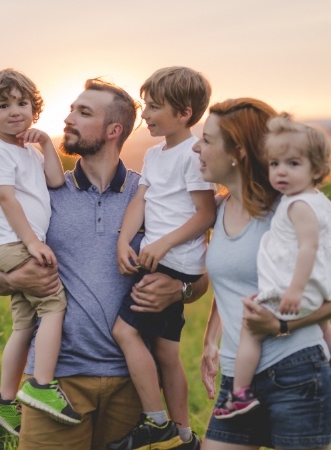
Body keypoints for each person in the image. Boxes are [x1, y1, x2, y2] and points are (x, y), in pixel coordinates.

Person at [0, 77, 209, 450]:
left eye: (83, 113)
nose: (68, 119)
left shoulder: (151, 193)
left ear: (114, 130)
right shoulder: (43, 191)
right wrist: (17, 277)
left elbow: (197, 275)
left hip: (132, 385)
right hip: (56, 383)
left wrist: (179, 289)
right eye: (70, 109)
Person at [193, 98, 331, 450]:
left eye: (207, 140)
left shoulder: (289, 211)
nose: (197, 146)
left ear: (237, 152)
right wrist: (211, 341)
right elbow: (232, 282)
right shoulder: (220, 210)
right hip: (237, 380)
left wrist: (282, 326)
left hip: (296, 373)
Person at [109, 67, 216, 450]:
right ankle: (184, 433)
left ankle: (157, 424)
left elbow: (205, 214)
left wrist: (162, 245)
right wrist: (125, 240)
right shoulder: (154, 154)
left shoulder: (194, 154)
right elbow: (142, 199)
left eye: (155, 107)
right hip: (160, 255)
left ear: (185, 112)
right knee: (167, 351)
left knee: (125, 331)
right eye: (145, 106)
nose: (147, 115)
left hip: (174, 262)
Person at [0, 68, 80, 436]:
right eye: (3, 105)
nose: (14, 111)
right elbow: (6, 199)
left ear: (34, 109)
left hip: (19, 245)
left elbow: (55, 180)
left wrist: (48, 145)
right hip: (14, 245)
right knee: (54, 306)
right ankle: (41, 385)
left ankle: (5, 399)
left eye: (21, 103)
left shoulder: (30, 153)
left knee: (24, 323)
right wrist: (34, 243)